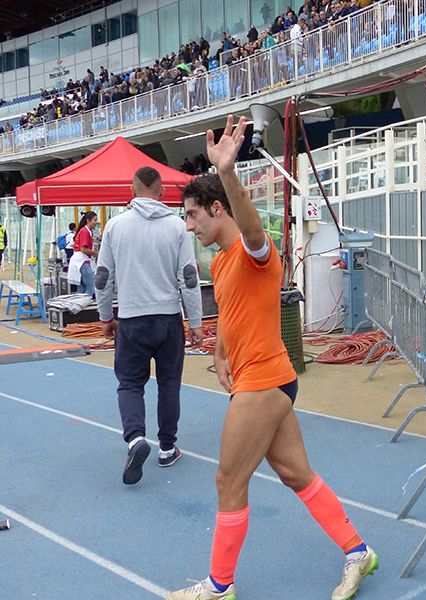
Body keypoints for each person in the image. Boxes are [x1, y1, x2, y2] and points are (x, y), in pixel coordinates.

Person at [168, 115, 378, 600]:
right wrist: (221, 350)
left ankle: (220, 586)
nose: (188, 224)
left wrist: (227, 170)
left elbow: (254, 227)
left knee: (228, 479)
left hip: (263, 381)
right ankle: (358, 551)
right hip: (264, 378)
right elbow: (236, 312)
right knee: (295, 474)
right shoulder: (220, 263)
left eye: (193, 215)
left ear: (216, 208)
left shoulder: (253, 250)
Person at [96, 167, 204, 485]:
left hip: (131, 319)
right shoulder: (177, 227)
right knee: (169, 385)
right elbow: (189, 276)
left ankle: (135, 439)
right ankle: (167, 448)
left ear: (132, 189)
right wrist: (195, 322)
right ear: (162, 192)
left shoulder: (115, 227)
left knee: (130, 384)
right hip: (168, 319)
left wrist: (105, 317)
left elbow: (102, 278)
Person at [67, 211, 99, 296]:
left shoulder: (84, 231)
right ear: (88, 220)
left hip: (80, 260)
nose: (96, 222)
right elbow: (83, 249)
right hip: (82, 261)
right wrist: (97, 253)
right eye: (95, 220)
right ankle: (87, 305)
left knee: (81, 288)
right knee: (90, 287)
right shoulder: (85, 231)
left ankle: (78, 306)